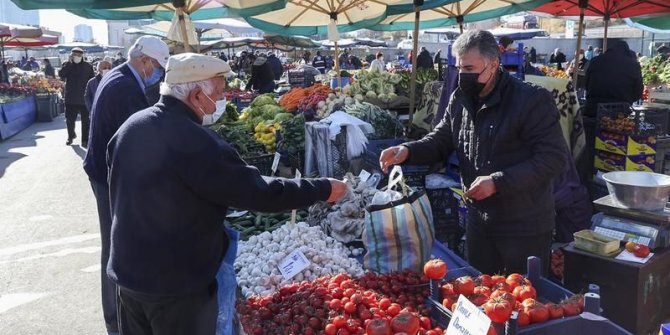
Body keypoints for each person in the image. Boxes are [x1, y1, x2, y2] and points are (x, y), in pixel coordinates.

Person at [107, 53, 347, 335]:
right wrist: (322, 188)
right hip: (176, 289)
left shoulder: (130, 128)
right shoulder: (195, 142)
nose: (222, 101)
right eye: (219, 93)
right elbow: (258, 192)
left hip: (128, 277)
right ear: (197, 95)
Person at [379, 30, 567, 275]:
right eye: (459, 68)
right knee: (481, 291)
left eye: (469, 68)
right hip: (480, 219)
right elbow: (441, 138)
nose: (462, 76)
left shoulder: (531, 100)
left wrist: (498, 182)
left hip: (524, 224)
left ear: (494, 65)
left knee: (525, 300)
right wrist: (406, 150)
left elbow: (553, 158)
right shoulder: (460, 97)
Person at [83, 35, 169, 335]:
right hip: (106, 177)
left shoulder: (117, 76)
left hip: (101, 171)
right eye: (157, 67)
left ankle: (115, 318)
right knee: (116, 249)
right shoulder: (125, 87)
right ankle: (117, 322)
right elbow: (138, 138)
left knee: (112, 244)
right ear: (144, 60)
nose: (157, 74)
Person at [585, 40, 643, 117]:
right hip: (620, 111)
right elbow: (638, 91)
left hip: (593, 109)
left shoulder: (595, 60)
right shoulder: (633, 65)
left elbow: (586, 83)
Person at [59, 47, 95, 146]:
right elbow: (61, 75)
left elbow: (92, 81)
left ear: (82, 56)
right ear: (71, 55)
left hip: (84, 98)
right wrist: (69, 63)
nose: (77, 57)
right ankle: (70, 136)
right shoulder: (67, 64)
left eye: (79, 55)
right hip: (71, 98)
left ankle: (85, 140)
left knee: (86, 121)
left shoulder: (88, 66)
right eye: (75, 55)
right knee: (70, 120)